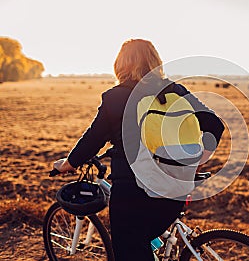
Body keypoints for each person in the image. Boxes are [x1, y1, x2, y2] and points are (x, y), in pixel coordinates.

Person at [53, 39, 225, 260]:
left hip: (133, 194)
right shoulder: (175, 90)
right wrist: (200, 159)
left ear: (120, 64)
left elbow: (92, 141)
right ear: (155, 62)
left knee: (129, 251)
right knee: (145, 243)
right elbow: (215, 124)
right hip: (176, 189)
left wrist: (66, 164)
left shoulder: (115, 97)